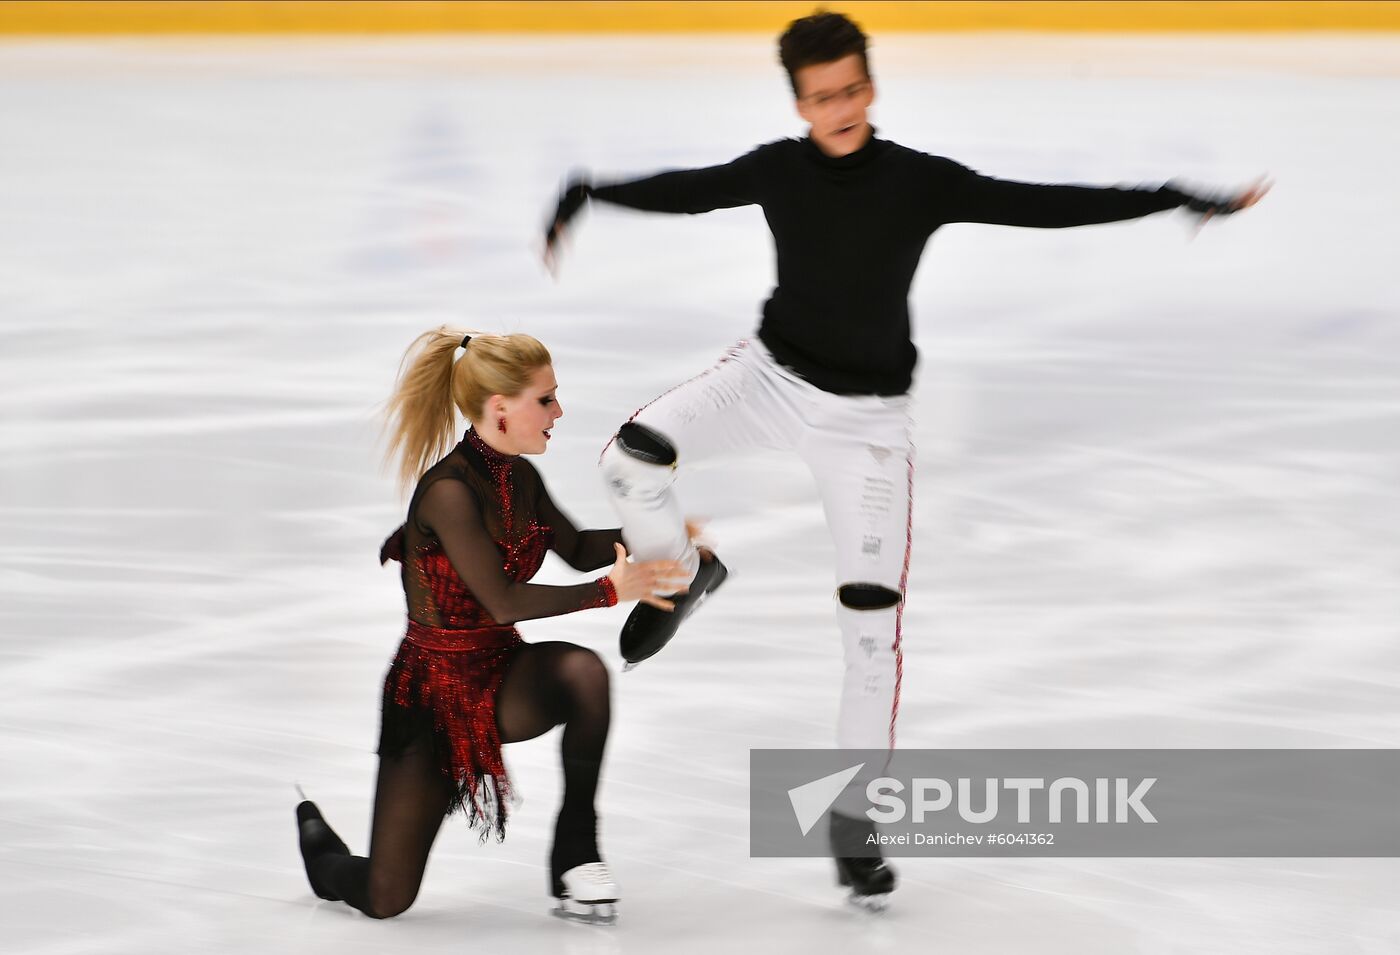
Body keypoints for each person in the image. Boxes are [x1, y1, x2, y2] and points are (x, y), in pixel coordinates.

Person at [543, 10, 1268, 908]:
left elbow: (1042, 203)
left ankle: (853, 824)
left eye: (851, 90)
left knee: (871, 631)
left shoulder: (919, 183)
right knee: (631, 454)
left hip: (868, 429)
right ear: (799, 102)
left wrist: (1171, 194)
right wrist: (591, 190)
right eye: (820, 97)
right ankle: (685, 573)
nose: (838, 107)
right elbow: (689, 190)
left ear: (871, 88)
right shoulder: (777, 169)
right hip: (767, 381)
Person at [294, 329, 689, 923]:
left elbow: (580, 547)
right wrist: (613, 590)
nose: (560, 412)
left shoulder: (518, 477)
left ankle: (576, 853)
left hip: (502, 674)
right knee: (385, 897)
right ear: (501, 409)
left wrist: (665, 541)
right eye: (547, 399)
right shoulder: (448, 493)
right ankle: (322, 852)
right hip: (431, 695)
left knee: (583, 674)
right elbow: (503, 601)